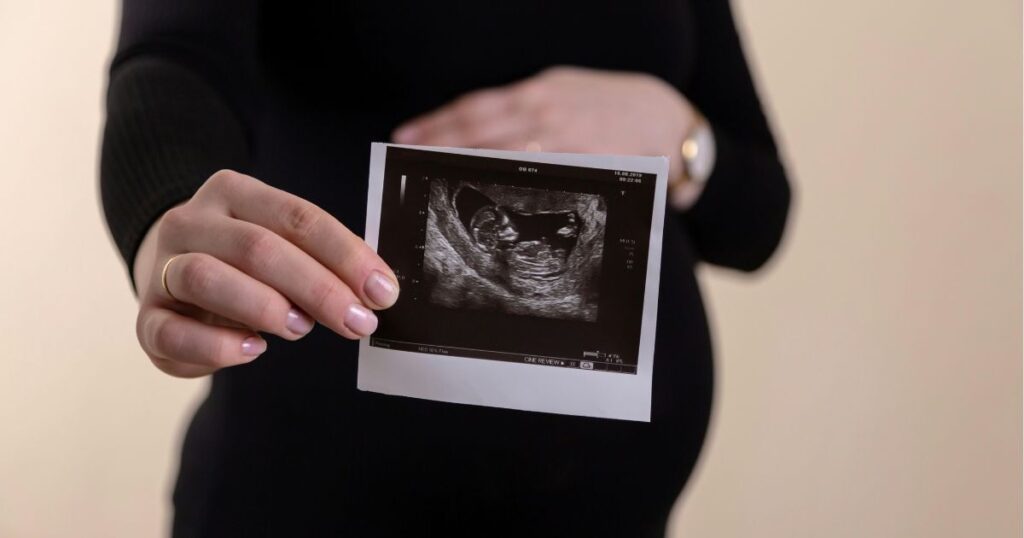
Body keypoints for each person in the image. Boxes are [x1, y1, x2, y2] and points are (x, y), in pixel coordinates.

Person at [101, 1, 791, 536]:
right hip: (310, 498)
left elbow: (757, 220)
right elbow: (172, 62)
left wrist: (681, 135)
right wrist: (167, 214)